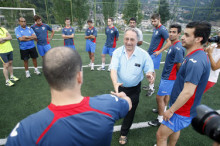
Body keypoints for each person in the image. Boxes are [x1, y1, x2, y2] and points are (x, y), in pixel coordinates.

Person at [6, 47, 132, 146]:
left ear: (47, 77)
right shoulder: (108, 104)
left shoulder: (25, 130)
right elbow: (128, 103)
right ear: (79, 76)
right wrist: (123, 95)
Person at [156, 21, 211, 146]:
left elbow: (188, 92)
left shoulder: (195, 61)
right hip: (181, 107)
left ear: (198, 39)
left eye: (186, 35)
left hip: (182, 110)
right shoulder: (194, 55)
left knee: (160, 135)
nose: (182, 37)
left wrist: (171, 110)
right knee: (174, 130)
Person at [110, 28, 154, 145]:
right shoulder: (117, 52)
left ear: (137, 40)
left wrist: (149, 75)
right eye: (126, 39)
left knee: (130, 112)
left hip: (134, 89)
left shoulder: (143, 55)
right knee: (115, 110)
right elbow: (113, 69)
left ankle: (123, 133)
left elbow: (149, 69)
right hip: (119, 87)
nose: (129, 42)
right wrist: (115, 83)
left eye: (132, 39)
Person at [148, 24, 185, 126]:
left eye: (174, 32)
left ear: (179, 34)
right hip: (168, 76)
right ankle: (163, 109)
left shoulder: (178, 47)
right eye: (170, 32)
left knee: (159, 98)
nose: (171, 34)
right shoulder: (173, 45)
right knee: (165, 96)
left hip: (170, 77)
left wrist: (175, 78)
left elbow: (179, 65)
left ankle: (160, 120)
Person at [143, 13, 171, 96]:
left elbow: (169, 42)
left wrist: (159, 51)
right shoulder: (156, 28)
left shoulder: (162, 29)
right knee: (150, 71)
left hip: (155, 54)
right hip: (150, 53)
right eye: (152, 21)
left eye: (154, 21)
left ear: (159, 20)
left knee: (151, 72)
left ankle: (151, 89)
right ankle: (150, 86)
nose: (153, 23)